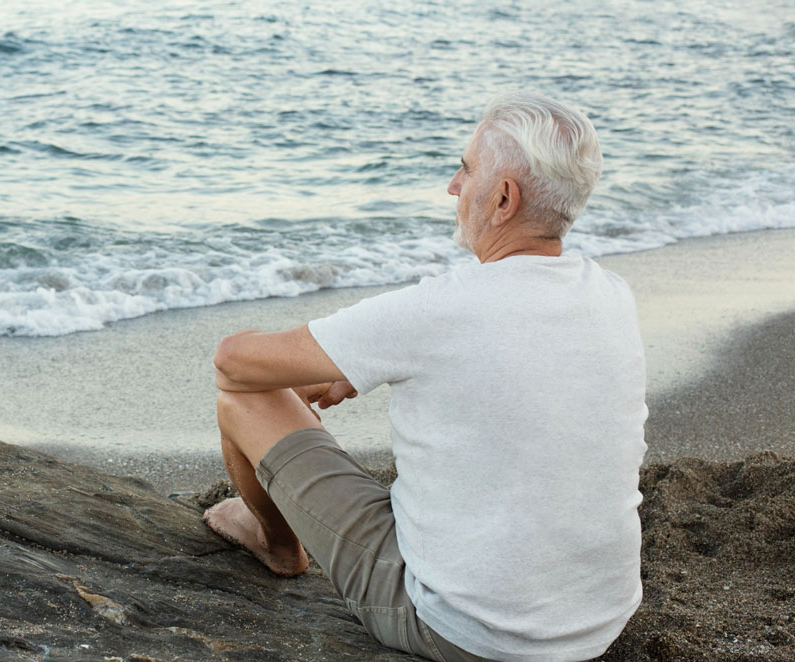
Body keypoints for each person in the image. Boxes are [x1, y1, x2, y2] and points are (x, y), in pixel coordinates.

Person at [205, 91, 647, 662]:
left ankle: (278, 545)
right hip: (598, 620)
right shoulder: (611, 295)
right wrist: (359, 364)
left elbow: (233, 361)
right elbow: (509, 360)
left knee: (246, 397)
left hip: (467, 632)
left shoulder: (439, 310)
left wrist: (348, 359)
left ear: (504, 198)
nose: (453, 186)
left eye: (467, 169)